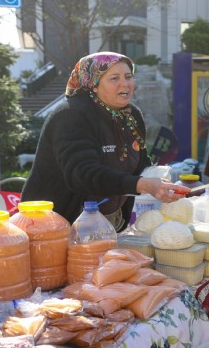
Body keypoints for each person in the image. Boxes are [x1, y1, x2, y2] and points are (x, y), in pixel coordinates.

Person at [21, 52, 190, 229]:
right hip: (56, 224)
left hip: (108, 220)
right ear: (94, 84)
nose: (125, 83)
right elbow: (83, 175)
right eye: (114, 78)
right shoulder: (71, 115)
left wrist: (160, 181)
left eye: (128, 76)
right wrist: (142, 185)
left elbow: (139, 163)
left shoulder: (131, 115)